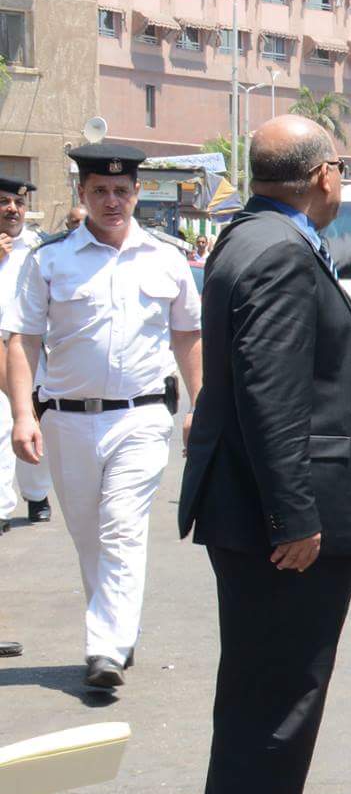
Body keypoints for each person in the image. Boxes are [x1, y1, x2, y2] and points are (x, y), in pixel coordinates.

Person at [180, 116, 351, 794]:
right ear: (325, 175)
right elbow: (270, 397)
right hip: (273, 519)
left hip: (259, 508)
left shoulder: (258, 236)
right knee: (271, 688)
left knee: (290, 681)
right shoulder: (276, 253)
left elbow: (324, 259)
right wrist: (295, 517)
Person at [4, 145, 203, 691]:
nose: (111, 201)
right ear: (82, 194)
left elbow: (187, 334)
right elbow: (23, 340)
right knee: (89, 536)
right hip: (66, 419)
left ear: (136, 193)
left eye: (121, 191)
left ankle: (105, 646)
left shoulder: (166, 256)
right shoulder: (49, 259)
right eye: (99, 191)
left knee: (120, 527)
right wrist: (23, 415)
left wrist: (200, 403)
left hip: (139, 419)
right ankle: (117, 630)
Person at [0, 174, 54, 526]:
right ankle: (3, 507)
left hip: (31, 350)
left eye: (19, 203)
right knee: (3, 426)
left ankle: (37, 494)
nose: (12, 209)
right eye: (5, 202)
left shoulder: (40, 248)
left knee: (37, 422)